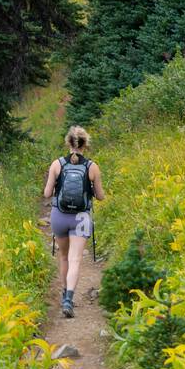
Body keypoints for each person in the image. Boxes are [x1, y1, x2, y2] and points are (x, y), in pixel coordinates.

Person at [43, 125, 105, 318]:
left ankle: (63, 295)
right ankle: (69, 299)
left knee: (63, 257)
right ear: (85, 144)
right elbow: (101, 197)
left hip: (59, 216)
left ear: (68, 143)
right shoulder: (92, 167)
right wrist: (92, 191)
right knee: (75, 259)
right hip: (82, 217)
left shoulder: (57, 164)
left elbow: (46, 194)